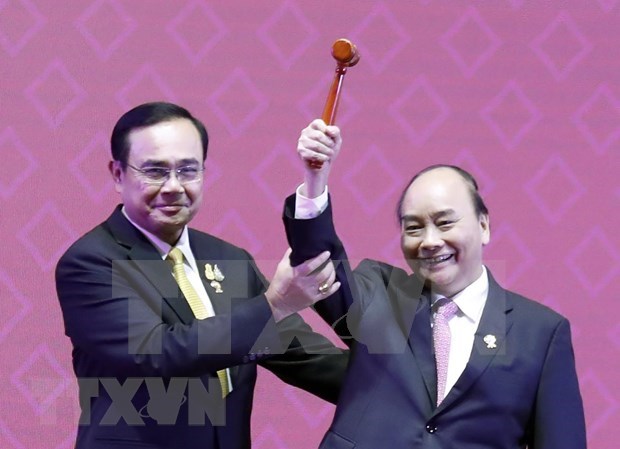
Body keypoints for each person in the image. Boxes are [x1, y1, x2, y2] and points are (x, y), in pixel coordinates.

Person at [55, 103, 347, 449]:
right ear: (117, 174)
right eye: (155, 171)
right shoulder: (91, 262)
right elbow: (157, 354)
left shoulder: (227, 259)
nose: (174, 187)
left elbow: (304, 356)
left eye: (188, 171)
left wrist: (413, 384)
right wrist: (274, 305)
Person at [281, 119, 586, 448]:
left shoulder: (540, 333)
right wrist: (315, 180)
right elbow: (318, 261)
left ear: (483, 225)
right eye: (413, 228)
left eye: (445, 223)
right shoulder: (380, 296)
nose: (429, 241)